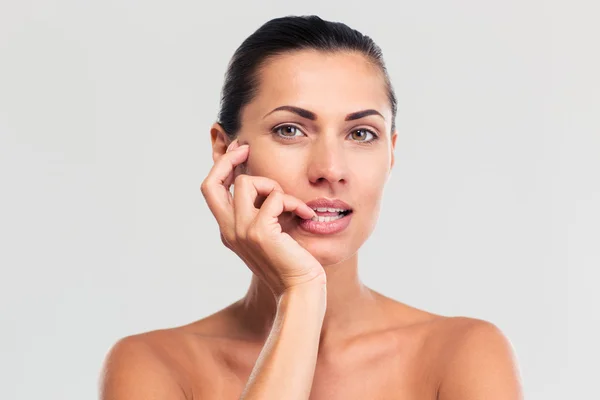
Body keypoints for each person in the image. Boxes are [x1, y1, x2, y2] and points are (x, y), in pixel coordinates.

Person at [99, 15, 523, 399]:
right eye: (290, 130)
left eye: (361, 134)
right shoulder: (153, 365)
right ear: (227, 150)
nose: (330, 169)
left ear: (390, 155)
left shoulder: (464, 353)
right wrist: (301, 297)